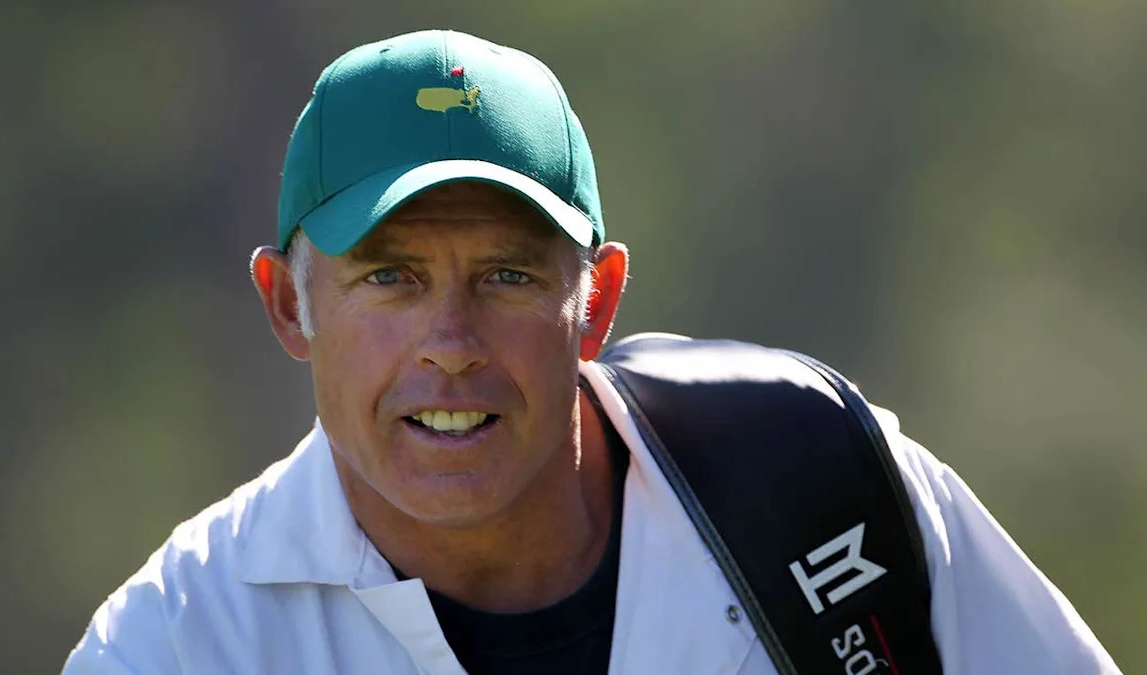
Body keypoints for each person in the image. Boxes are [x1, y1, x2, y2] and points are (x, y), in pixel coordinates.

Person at [63, 29, 1120, 674]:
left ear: (597, 302)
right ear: (288, 306)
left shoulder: (815, 479)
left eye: (507, 276)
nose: (451, 345)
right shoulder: (177, 645)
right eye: (391, 278)